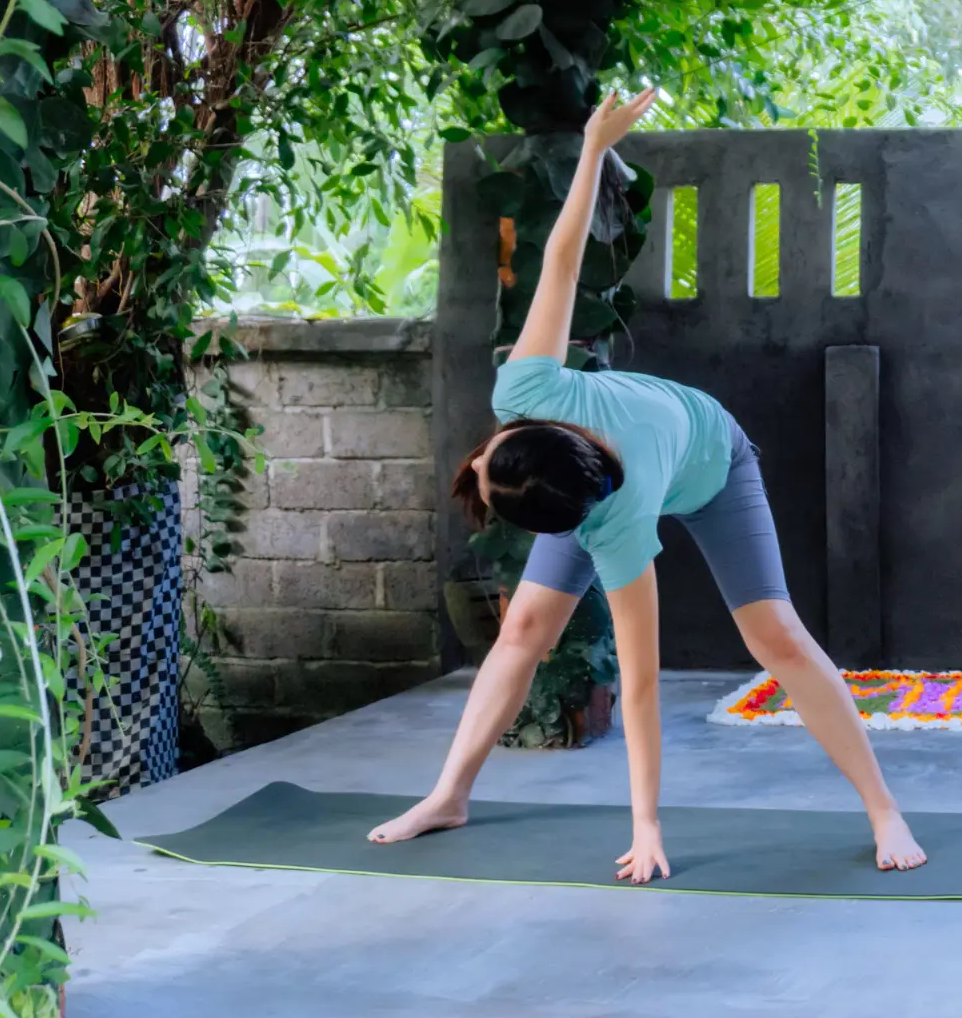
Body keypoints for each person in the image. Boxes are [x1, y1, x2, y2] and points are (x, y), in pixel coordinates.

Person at [369, 90, 926, 882]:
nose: (478, 461)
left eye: (483, 467)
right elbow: (560, 264)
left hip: (713, 463)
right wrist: (593, 148)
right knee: (524, 627)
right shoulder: (533, 405)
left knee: (776, 637)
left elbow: (638, 683)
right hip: (619, 467)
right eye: (488, 466)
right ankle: (448, 795)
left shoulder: (610, 512)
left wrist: (647, 825)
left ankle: (883, 807)